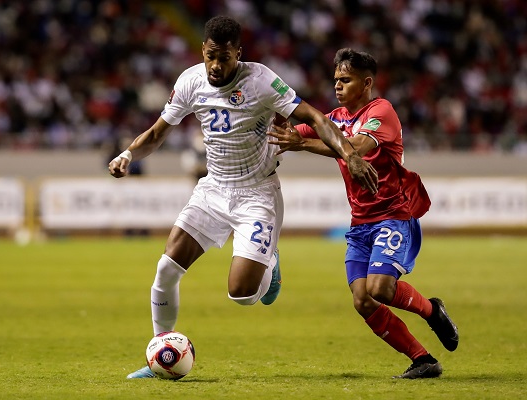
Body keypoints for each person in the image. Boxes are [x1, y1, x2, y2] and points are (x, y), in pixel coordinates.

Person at [108, 18, 378, 379]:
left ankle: (271, 262)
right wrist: (128, 154)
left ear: (239, 53)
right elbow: (157, 133)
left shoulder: (261, 80)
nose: (216, 66)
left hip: (257, 194)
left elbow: (314, 116)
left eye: (224, 58)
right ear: (203, 51)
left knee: (243, 294)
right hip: (213, 188)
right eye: (210, 57)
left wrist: (349, 154)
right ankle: (161, 352)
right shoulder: (190, 81)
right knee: (165, 270)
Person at [268, 48, 459, 379]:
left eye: (346, 79)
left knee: (380, 288)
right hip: (360, 223)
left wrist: (302, 144)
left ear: (367, 82)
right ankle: (423, 360)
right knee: (362, 300)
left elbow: (353, 147)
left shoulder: (381, 112)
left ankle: (432, 310)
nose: (338, 86)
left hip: (393, 214)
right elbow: (305, 132)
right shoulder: (337, 117)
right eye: (336, 80)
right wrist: (281, 131)